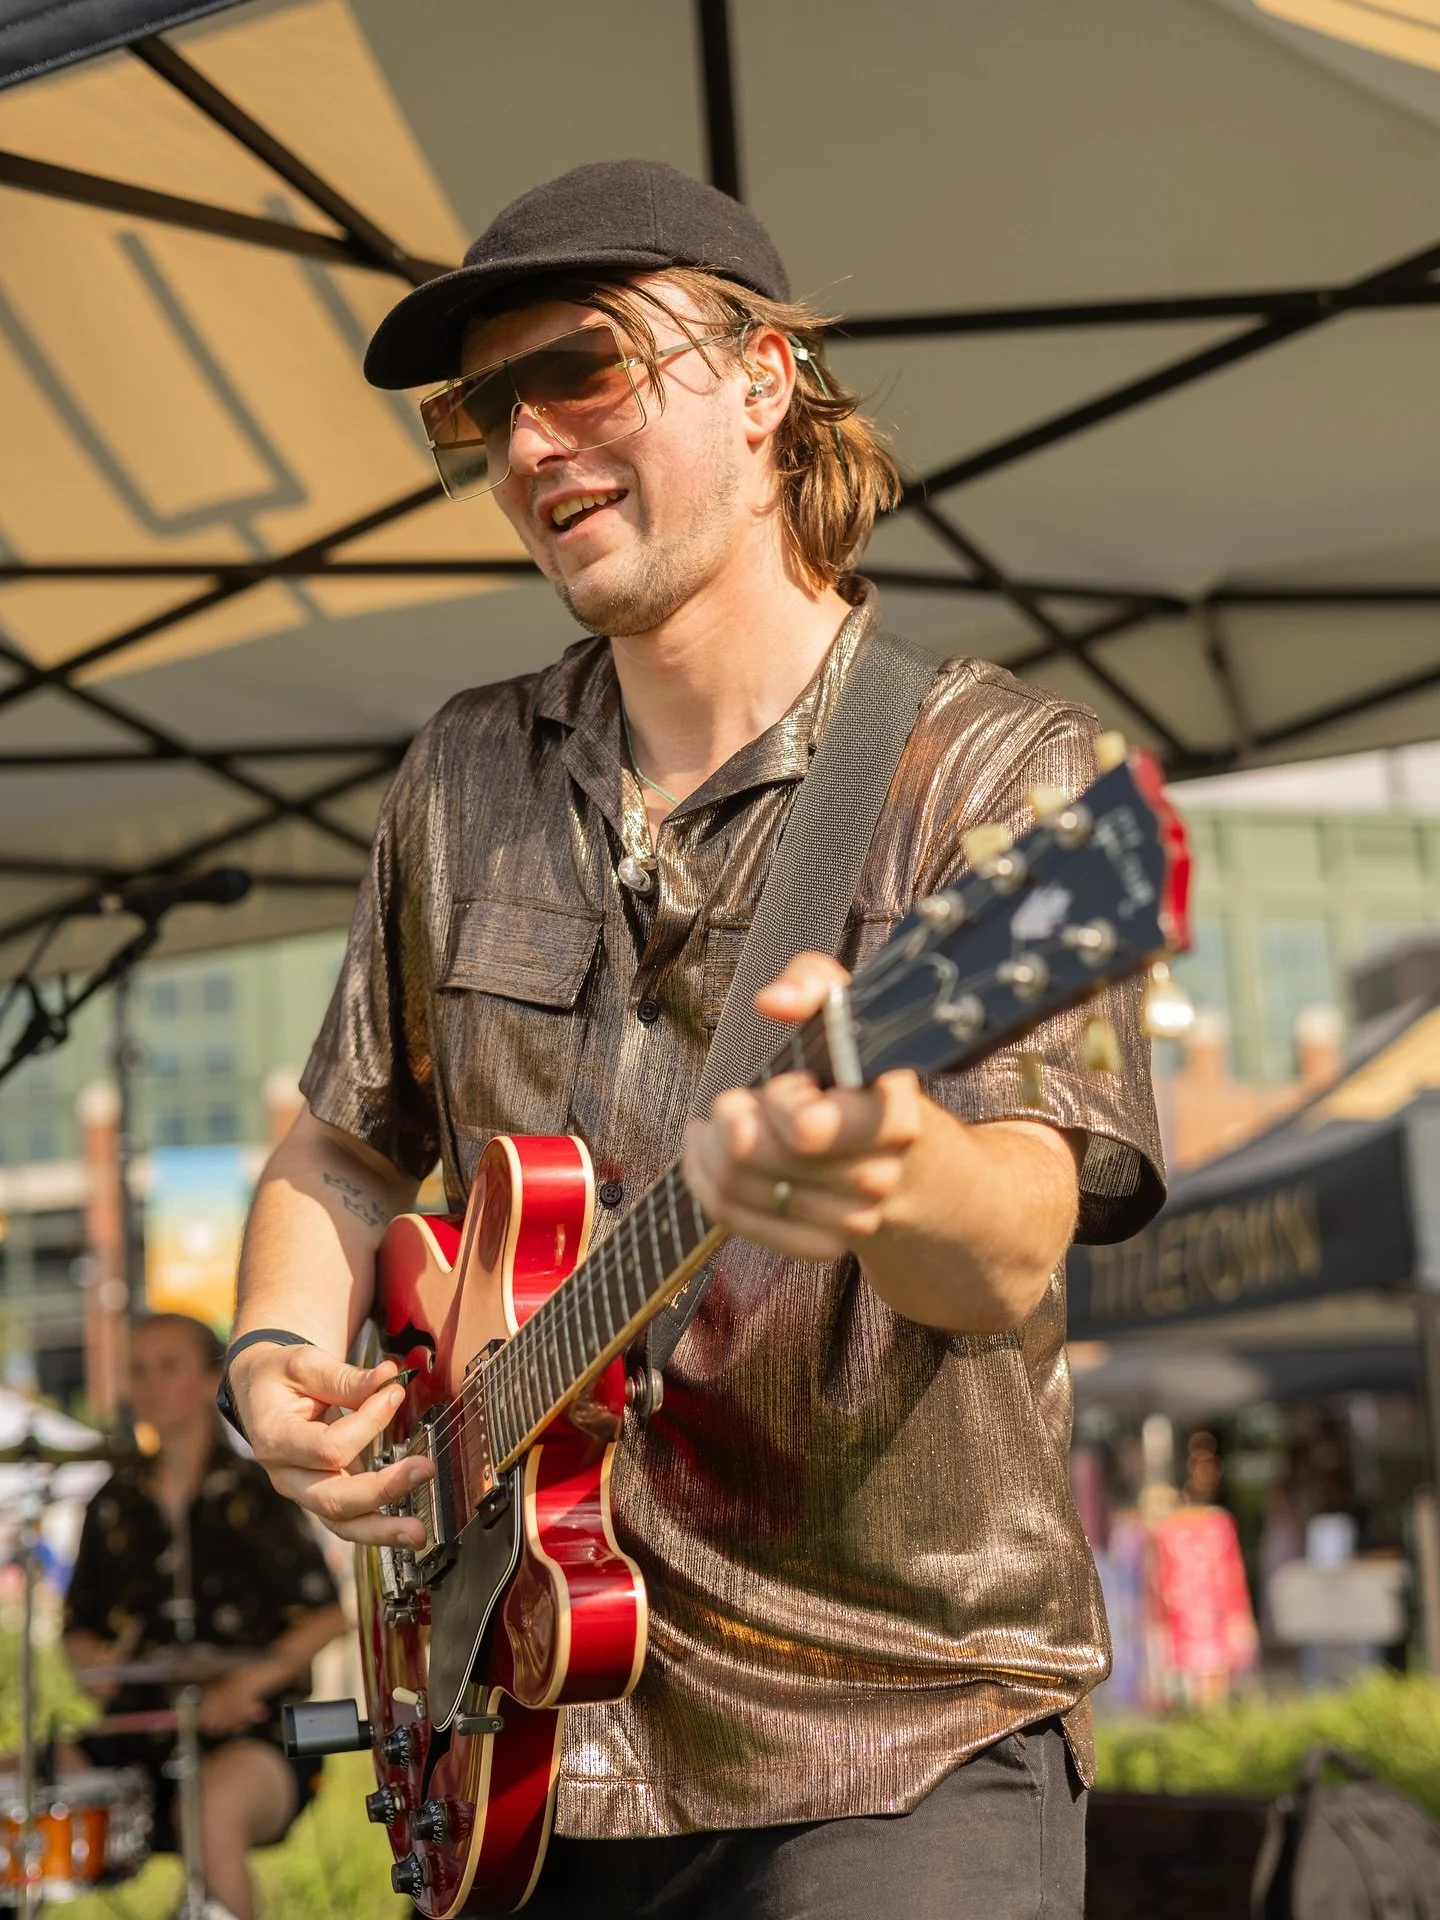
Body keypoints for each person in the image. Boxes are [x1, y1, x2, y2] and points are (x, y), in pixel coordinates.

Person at [226, 159, 1165, 1918]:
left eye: (581, 370)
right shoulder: (463, 776)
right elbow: (345, 1145)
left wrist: (890, 1171)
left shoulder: (998, 783)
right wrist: (275, 1361)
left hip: (894, 1745)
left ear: (763, 380)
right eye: (484, 408)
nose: (527, 446)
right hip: (528, 1745)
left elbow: (1016, 1239)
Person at [63, 1313, 346, 1920]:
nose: (150, 1383)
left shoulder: (258, 1490)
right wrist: (92, 1665)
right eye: (137, 1369)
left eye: (168, 1366)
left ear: (206, 1378)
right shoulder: (111, 1502)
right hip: (137, 1732)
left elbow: (324, 1615)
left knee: (207, 1812)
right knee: (16, 1786)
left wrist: (248, 1682)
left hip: (255, 1733)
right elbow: (79, 1624)